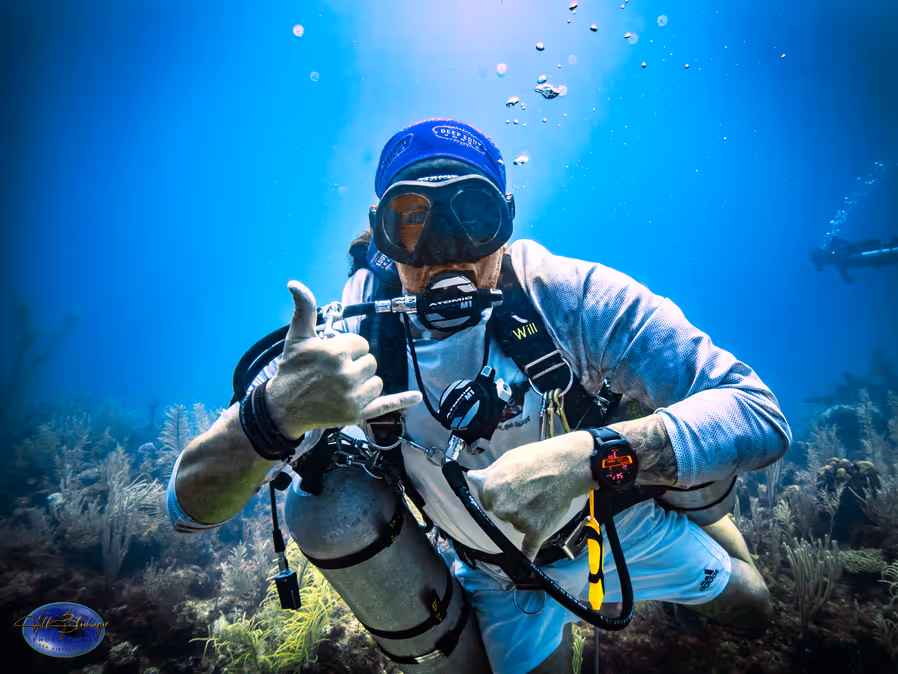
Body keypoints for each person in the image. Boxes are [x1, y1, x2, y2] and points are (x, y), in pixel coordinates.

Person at [167, 119, 792, 674]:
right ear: (383, 236)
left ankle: (707, 525)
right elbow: (185, 510)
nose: (445, 252)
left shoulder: (571, 298)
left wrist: (586, 459)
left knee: (755, 609)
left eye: (473, 213)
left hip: (618, 526)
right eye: (412, 220)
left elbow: (759, 412)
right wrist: (273, 414)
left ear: (506, 222)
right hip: (500, 577)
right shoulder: (346, 340)